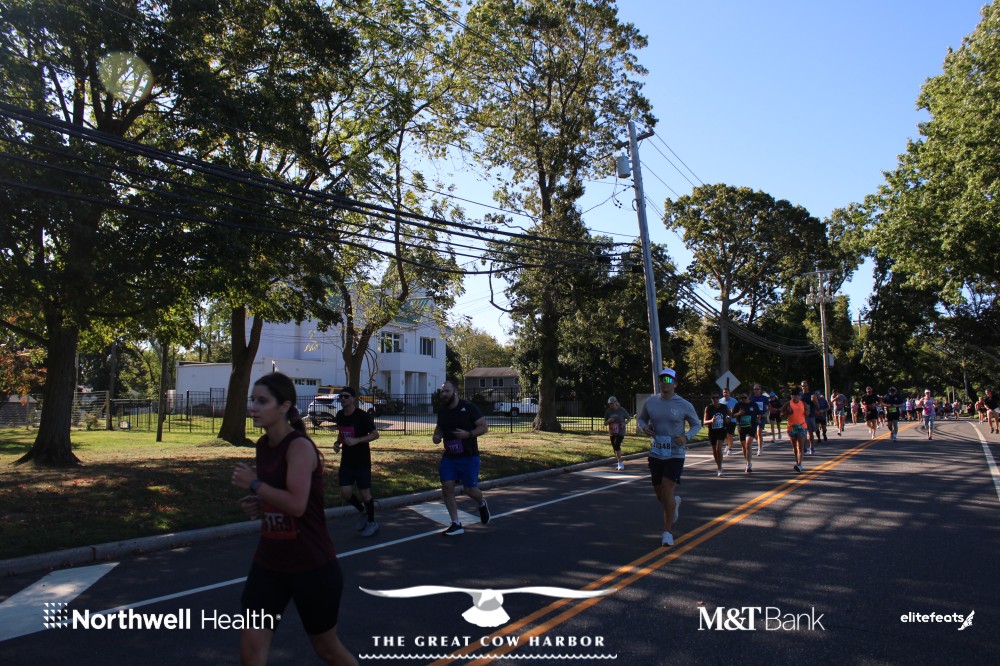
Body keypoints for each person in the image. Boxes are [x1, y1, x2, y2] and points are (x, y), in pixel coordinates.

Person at [230, 372, 357, 666]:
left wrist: (255, 485)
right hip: (270, 563)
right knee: (250, 653)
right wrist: (261, 504)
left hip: (311, 564)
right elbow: (279, 495)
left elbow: (297, 505)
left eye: (262, 401)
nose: (254, 407)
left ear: (284, 406)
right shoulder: (263, 446)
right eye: (253, 400)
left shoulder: (299, 446)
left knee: (327, 650)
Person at [637, 368, 702, 547]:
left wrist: (686, 437)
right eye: (662, 379)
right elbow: (641, 419)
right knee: (661, 495)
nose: (665, 382)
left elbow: (696, 424)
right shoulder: (651, 402)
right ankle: (675, 502)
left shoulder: (684, 404)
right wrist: (644, 428)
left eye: (668, 379)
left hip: (675, 453)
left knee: (667, 489)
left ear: (675, 384)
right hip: (656, 453)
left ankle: (667, 532)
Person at [432, 380, 490, 536]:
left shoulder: (469, 407)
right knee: (447, 488)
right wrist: (436, 436)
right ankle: (456, 523)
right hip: (449, 457)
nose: (443, 394)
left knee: (469, 489)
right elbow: (439, 428)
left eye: (447, 391)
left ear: (455, 392)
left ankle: (481, 503)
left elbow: (483, 427)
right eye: (442, 391)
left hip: (468, 456)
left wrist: (468, 434)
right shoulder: (442, 411)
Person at [333, 387, 380, 538]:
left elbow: (375, 434)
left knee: (365, 494)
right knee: (345, 492)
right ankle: (363, 511)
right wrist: (337, 443)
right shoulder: (340, 415)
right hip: (347, 460)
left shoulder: (362, 416)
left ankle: (372, 523)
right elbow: (342, 432)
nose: (343, 399)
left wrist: (357, 440)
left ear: (353, 399)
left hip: (362, 461)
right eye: (341, 396)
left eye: (346, 396)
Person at [732, 391, 763, 473]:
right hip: (741, 427)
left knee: (748, 444)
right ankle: (747, 461)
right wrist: (739, 413)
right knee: (744, 445)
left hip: (751, 426)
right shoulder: (738, 405)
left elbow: (759, 414)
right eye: (741, 398)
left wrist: (758, 419)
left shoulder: (753, 404)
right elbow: (732, 415)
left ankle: (749, 464)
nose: (743, 399)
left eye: (745, 397)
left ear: (748, 396)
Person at [781, 387, 808, 473]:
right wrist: (787, 412)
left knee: (800, 447)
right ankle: (797, 463)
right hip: (791, 428)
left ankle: (799, 465)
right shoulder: (788, 404)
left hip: (802, 427)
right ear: (791, 396)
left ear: (799, 396)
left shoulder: (803, 403)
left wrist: (806, 412)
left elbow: (807, 412)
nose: (795, 397)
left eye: (797, 395)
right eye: (794, 395)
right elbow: (781, 415)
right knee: (795, 448)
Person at [703, 391, 729, 477]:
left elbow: (730, 415)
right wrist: (711, 420)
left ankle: (720, 468)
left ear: (719, 398)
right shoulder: (708, 408)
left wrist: (728, 419)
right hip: (712, 431)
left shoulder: (724, 407)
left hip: (721, 430)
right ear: (711, 399)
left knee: (718, 448)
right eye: (713, 398)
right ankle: (718, 466)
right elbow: (705, 421)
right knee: (714, 450)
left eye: (717, 397)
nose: (715, 399)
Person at [604, 396, 631, 470]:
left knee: (617, 445)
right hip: (612, 431)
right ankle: (619, 462)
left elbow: (629, 418)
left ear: (616, 403)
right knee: (614, 447)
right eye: (609, 404)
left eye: (612, 404)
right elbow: (605, 423)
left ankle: (620, 463)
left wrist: (624, 423)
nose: (611, 405)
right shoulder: (608, 411)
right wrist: (609, 421)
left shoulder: (621, 410)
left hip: (620, 431)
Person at [749, 384, 770, 456]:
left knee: (759, 432)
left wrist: (766, 413)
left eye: (757, 389)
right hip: (754, 417)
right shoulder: (751, 398)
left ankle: (759, 449)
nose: (756, 391)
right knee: (754, 433)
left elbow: (769, 406)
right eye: (755, 389)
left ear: (760, 390)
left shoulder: (764, 398)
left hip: (762, 417)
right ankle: (760, 441)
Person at [720, 386, 738, 456]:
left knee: (729, 434)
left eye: (727, 392)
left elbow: (737, 410)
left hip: (732, 420)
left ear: (729, 393)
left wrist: (733, 414)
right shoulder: (720, 401)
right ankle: (728, 444)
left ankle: (730, 449)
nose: (725, 394)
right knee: (723, 435)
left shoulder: (734, 401)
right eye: (724, 392)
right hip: (723, 420)